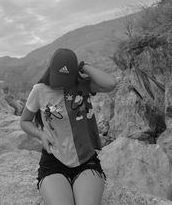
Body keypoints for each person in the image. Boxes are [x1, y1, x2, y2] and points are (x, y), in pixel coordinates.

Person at [20, 48, 116, 205]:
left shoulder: (82, 86)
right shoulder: (39, 91)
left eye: (65, 80)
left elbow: (111, 83)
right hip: (53, 161)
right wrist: (40, 134)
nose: (59, 85)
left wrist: (83, 66)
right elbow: (24, 121)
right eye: (57, 78)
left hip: (86, 161)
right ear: (50, 70)